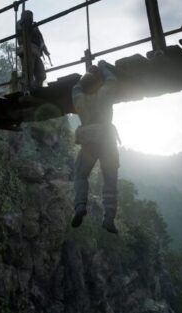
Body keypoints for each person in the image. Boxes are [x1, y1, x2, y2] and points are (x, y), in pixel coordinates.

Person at [70, 60, 120, 234]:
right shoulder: (104, 93)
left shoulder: (78, 97)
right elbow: (112, 80)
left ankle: (80, 206)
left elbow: (76, 87)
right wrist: (103, 66)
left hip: (89, 141)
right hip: (107, 140)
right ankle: (109, 218)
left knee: (81, 175)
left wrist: (87, 74)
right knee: (110, 179)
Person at [16, 10, 50, 89]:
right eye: (29, 16)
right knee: (28, 74)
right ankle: (26, 89)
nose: (31, 18)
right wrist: (25, 24)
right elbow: (22, 31)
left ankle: (36, 88)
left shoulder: (34, 26)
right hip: (27, 50)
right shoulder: (21, 24)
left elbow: (40, 39)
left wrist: (45, 50)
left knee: (41, 75)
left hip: (36, 51)